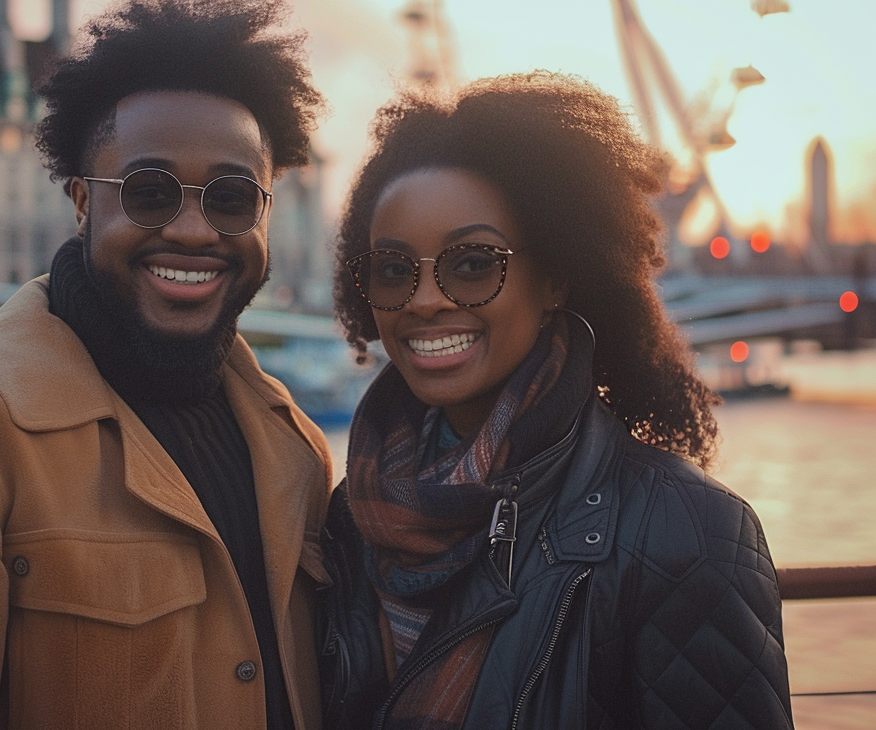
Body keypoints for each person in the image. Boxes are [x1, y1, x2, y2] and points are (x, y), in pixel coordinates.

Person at [0, 0, 333, 729]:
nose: (196, 231)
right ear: (81, 201)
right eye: (149, 192)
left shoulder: (296, 446)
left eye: (233, 198)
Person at [320, 72, 794, 730]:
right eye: (396, 270)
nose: (425, 300)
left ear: (556, 281)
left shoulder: (687, 533)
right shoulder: (349, 521)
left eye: (472, 263)